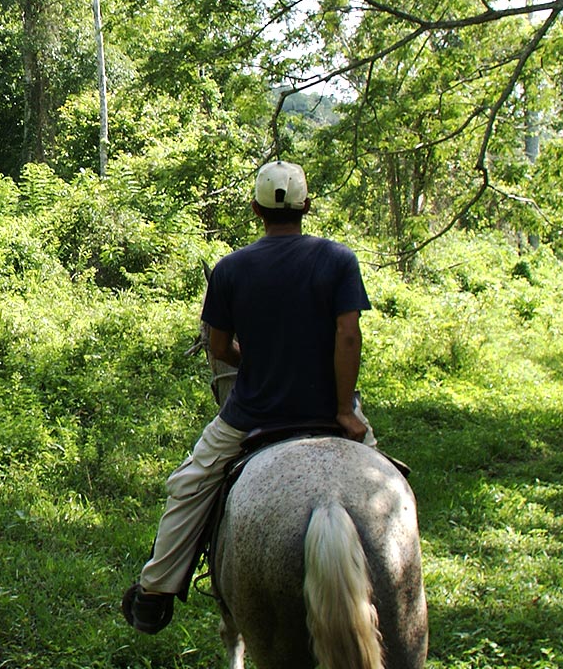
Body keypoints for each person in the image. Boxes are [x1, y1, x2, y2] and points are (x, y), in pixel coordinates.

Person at [122, 160, 374, 635]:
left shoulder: (231, 269)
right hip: (329, 412)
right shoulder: (339, 260)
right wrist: (344, 411)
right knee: (387, 488)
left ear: (256, 208)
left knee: (191, 484)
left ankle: (155, 590)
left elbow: (219, 348)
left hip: (252, 416)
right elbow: (348, 336)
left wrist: (255, 359)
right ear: (307, 206)